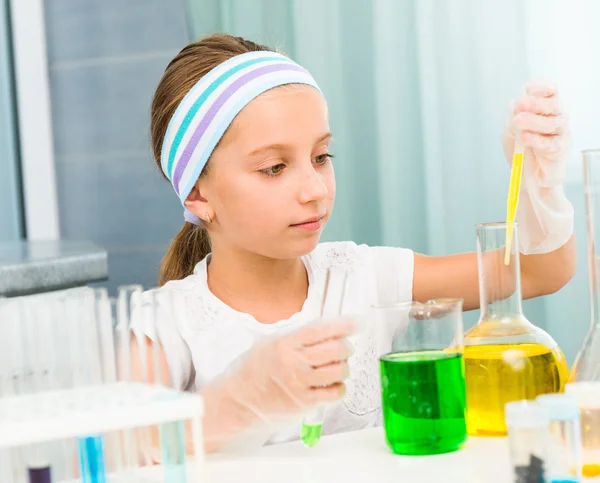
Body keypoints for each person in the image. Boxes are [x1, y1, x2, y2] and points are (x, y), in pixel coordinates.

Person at [136, 33, 575, 453]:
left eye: (321, 157)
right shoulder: (164, 324)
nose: (315, 190)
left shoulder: (365, 278)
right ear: (197, 193)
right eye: (274, 167)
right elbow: (123, 448)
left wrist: (542, 184)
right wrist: (241, 397)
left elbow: (541, 271)